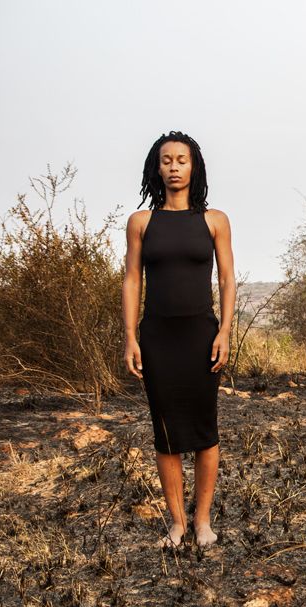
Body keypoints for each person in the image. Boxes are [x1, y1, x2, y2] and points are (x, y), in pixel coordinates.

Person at [120, 131, 236, 550]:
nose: (173, 167)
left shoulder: (214, 220)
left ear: (194, 166)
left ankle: (203, 521)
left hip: (201, 335)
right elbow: (133, 279)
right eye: (166, 160)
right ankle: (177, 523)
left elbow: (226, 278)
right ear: (157, 167)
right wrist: (130, 336)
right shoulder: (141, 223)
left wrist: (224, 330)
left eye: (181, 160)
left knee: (205, 427)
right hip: (156, 337)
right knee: (165, 429)